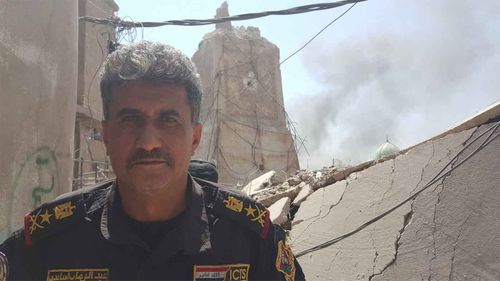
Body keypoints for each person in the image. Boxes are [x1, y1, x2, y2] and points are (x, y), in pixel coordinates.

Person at [0, 41, 304, 281]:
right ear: (106, 134)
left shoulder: (251, 241)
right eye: (130, 119)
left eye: (168, 120)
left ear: (195, 137)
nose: (148, 141)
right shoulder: (46, 242)